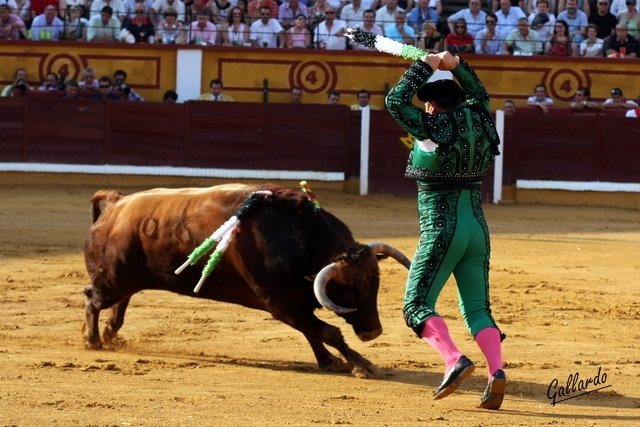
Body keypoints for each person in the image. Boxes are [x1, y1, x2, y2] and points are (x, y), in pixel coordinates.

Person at [385, 51, 504, 410]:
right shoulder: (481, 117)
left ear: (433, 106)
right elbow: (480, 94)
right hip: (477, 230)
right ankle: (496, 372)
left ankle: (453, 359)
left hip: (442, 228)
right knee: (478, 309)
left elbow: (395, 100)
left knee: (417, 304)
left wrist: (427, 65)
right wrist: (456, 66)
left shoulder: (429, 128)